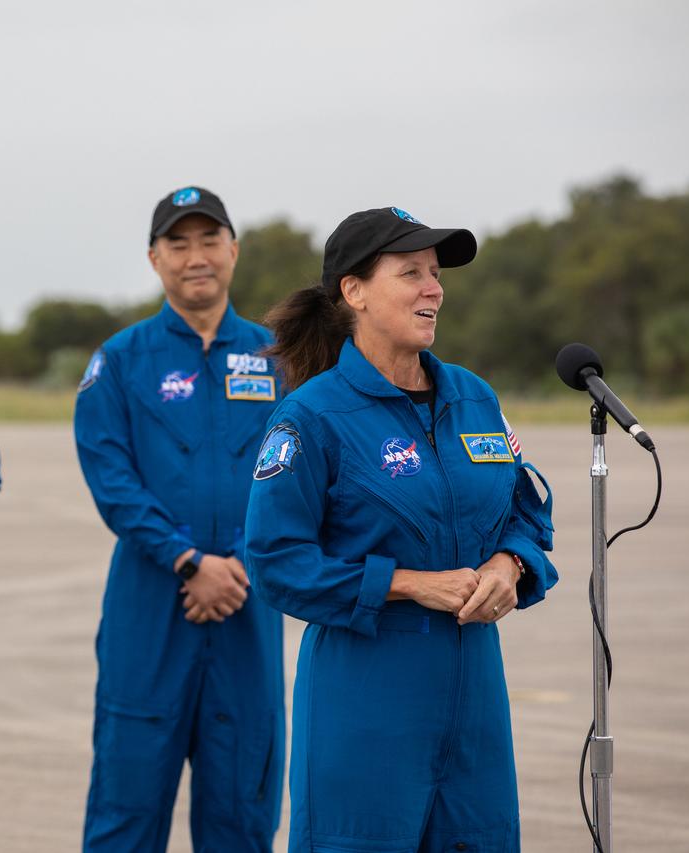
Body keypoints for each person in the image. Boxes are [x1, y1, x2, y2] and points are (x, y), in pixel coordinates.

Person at [245, 206, 560, 852]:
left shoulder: (474, 397)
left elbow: (526, 506)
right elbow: (277, 560)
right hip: (366, 702)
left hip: (475, 707)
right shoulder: (311, 417)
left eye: (436, 273)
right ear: (353, 292)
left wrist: (511, 565)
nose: (433, 288)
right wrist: (410, 584)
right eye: (411, 271)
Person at [74, 186, 285, 852]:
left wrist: (241, 565)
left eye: (208, 239)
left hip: (249, 610)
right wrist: (188, 560)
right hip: (150, 606)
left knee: (242, 816)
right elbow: (112, 481)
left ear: (233, 250)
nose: (196, 257)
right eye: (178, 242)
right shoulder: (119, 361)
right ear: (153, 257)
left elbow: (302, 478)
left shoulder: (282, 359)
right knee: (125, 810)